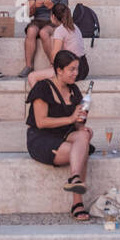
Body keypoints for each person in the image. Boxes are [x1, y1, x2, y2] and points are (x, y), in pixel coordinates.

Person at [25, 49, 94, 222]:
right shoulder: (43, 88)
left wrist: (80, 122)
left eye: (77, 69)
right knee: (80, 151)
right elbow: (41, 122)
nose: (76, 73)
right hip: (41, 138)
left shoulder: (74, 91)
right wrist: (71, 118)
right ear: (59, 70)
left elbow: (75, 125)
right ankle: (77, 203)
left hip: (65, 134)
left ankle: (75, 177)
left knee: (84, 137)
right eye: (72, 69)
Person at [16, 0, 68, 78]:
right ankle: (29, 66)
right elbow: (29, 13)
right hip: (37, 20)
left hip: (54, 22)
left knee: (44, 33)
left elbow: (65, 15)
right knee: (31, 31)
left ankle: (54, 64)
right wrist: (35, 5)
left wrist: (53, 7)